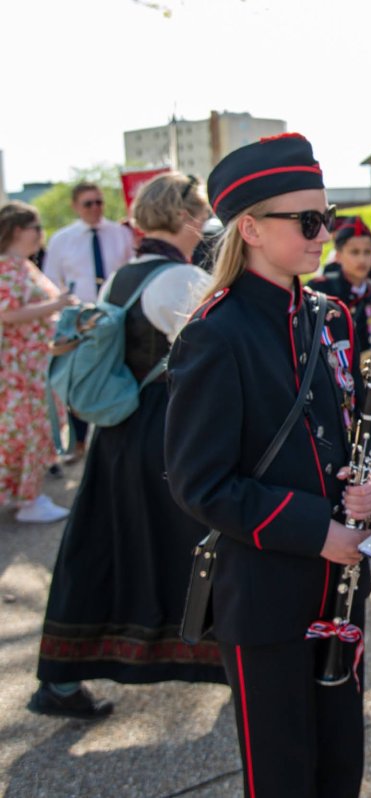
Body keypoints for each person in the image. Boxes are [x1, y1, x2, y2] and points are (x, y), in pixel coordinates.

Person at [164, 133, 371, 798]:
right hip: (266, 594)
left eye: (329, 218)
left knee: (341, 766)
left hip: (339, 584)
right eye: (309, 221)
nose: (326, 234)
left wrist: (364, 483)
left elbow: (339, 436)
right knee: (285, 776)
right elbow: (198, 482)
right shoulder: (215, 333)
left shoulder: (329, 315)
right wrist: (318, 529)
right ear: (251, 228)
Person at [30, 173, 222, 720]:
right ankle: (235, 660)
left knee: (104, 552)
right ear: (188, 216)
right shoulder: (182, 277)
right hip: (163, 435)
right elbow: (215, 357)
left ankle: (61, 680)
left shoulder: (126, 273)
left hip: (119, 434)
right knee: (207, 546)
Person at [42, 181, 136, 461]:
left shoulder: (120, 234)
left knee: (120, 374)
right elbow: (50, 280)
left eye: (99, 202)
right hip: (81, 321)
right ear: (75, 206)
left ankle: (119, 438)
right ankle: (79, 441)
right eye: (88, 203)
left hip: (116, 316)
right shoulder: (62, 239)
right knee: (79, 377)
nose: (95, 208)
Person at [0, 202, 76, 523]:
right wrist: (56, 304)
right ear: (19, 230)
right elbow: (8, 314)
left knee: (35, 428)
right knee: (27, 430)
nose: (41, 235)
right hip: (20, 369)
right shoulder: (7, 267)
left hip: (33, 365)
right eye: (37, 228)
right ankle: (27, 499)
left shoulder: (21, 265)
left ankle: (28, 495)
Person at [308, 216, 371, 360]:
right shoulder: (319, 289)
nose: (362, 260)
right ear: (338, 255)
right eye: (354, 252)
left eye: (367, 252)